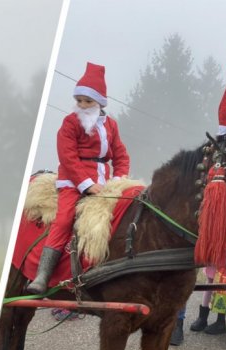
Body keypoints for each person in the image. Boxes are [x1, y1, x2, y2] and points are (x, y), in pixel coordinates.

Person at [27, 62, 130, 294]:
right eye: (80, 100)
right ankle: (42, 276)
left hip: (105, 184)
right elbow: (68, 157)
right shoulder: (70, 123)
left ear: (100, 102)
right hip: (73, 182)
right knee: (64, 219)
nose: (82, 105)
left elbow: (121, 156)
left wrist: (119, 181)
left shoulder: (111, 125)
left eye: (88, 101)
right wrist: (87, 184)